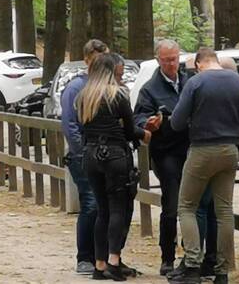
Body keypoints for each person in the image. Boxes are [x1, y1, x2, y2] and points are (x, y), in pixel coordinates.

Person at [169, 48, 239, 284]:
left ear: (199, 63)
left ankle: (192, 264)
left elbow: (176, 122)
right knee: (224, 211)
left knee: (186, 206)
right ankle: (222, 270)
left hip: (202, 149)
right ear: (216, 61)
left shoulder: (196, 83)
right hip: (230, 150)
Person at [132, 40, 217, 277]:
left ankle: (197, 257)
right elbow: (138, 118)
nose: (171, 64)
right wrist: (149, 123)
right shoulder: (150, 89)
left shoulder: (191, 81)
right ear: (158, 60)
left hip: (193, 149)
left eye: (174, 59)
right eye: (166, 60)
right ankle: (167, 257)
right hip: (167, 152)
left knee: (201, 205)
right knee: (171, 206)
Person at [78, 52, 151, 281]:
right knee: (117, 209)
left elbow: (83, 131)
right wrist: (145, 133)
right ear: (111, 71)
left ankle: (99, 265)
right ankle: (113, 260)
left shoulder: (83, 97)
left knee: (102, 210)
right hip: (115, 155)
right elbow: (130, 131)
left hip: (90, 155)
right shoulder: (118, 95)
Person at [61, 39, 108, 276]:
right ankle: (85, 256)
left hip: (105, 155)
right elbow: (70, 125)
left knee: (107, 205)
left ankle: (105, 256)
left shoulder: (108, 86)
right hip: (84, 156)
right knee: (90, 203)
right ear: (88, 59)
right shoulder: (75, 88)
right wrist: (82, 153)